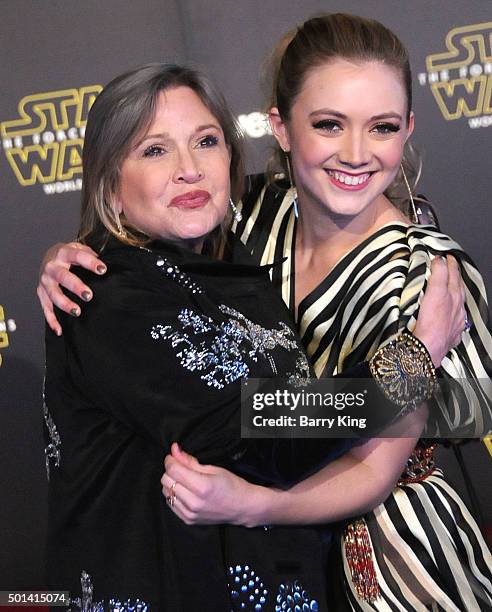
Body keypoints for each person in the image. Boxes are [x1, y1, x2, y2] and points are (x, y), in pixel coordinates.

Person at [38, 15, 491, 612]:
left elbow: (372, 470)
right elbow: (255, 423)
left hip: (395, 562)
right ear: (279, 126)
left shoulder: (428, 275)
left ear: (408, 129)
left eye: (381, 126)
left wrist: (258, 506)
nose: (190, 169)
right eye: (328, 124)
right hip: (247, 559)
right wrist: (67, 251)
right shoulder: (251, 217)